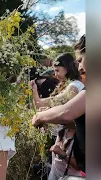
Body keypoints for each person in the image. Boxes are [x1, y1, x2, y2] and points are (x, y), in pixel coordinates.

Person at [32, 34, 86, 175]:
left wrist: (40, 116)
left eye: (80, 60)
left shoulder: (75, 87)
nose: (79, 66)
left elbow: (65, 113)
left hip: (71, 147)